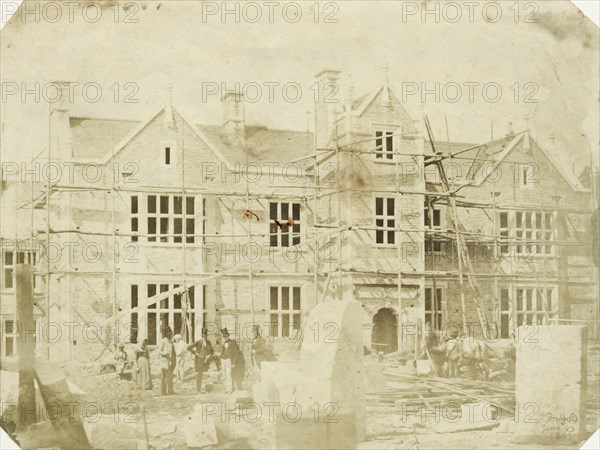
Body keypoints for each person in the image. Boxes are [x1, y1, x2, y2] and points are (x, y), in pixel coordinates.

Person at [186, 329, 214, 393]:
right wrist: (196, 353)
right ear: (201, 336)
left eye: (205, 336)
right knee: (200, 374)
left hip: (206, 360)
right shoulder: (198, 342)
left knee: (207, 374)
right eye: (203, 336)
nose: (204, 337)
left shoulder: (208, 342)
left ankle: (208, 390)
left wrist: (209, 355)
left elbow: (212, 351)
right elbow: (188, 347)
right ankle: (198, 390)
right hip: (199, 360)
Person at [220, 328, 245, 392]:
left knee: (233, 374)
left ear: (228, 336)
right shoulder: (223, 344)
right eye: (224, 337)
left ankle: (236, 388)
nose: (225, 338)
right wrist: (222, 360)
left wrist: (233, 362)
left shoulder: (233, 342)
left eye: (226, 336)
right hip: (225, 361)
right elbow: (222, 353)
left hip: (231, 361)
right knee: (226, 375)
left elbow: (236, 353)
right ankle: (228, 389)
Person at [159, 326, 176, 395]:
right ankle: (163, 391)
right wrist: (165, 353)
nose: (171, 335)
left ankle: (170, 390)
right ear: (166, 334)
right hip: (164, 361)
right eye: (169, 334)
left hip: (170, 360)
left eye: (171, 334)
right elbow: (159, 351)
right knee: (164, 377)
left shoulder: (171, 341)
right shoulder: (163, 341)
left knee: (170, 376)